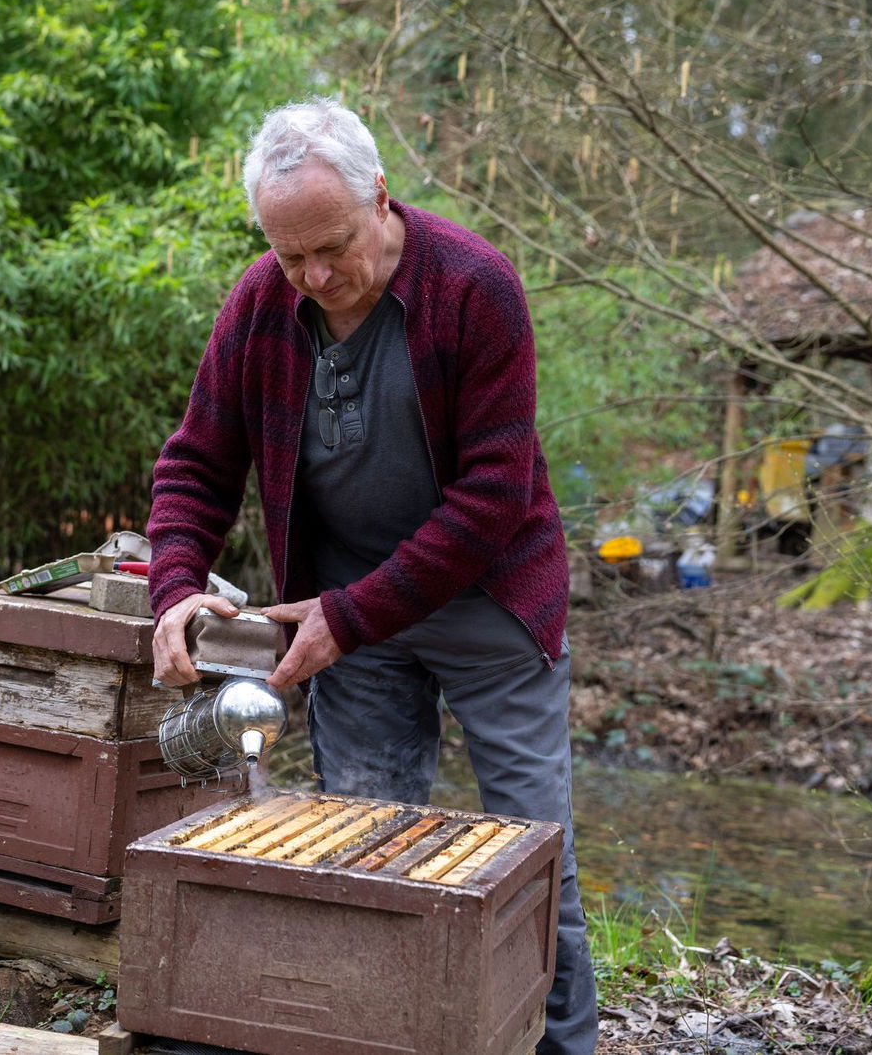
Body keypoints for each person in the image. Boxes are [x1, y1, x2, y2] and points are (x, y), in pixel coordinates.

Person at [145, 97, 599, 1055]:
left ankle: (560, 1047)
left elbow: (493, 498)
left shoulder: (476, 286)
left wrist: (350, 616)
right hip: (347, 619)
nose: (314, 276)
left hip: (488, 609)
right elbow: (196, 464)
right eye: (288, 255)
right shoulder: (261, 305)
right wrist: (177, 584)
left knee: (531, 865)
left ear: (381, 199)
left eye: (333, 247)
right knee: (364, 856)